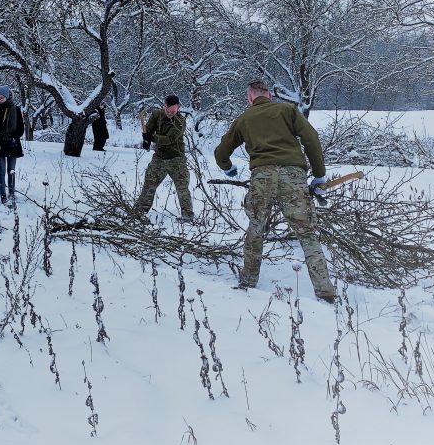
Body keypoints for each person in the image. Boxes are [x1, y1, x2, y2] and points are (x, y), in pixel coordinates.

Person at [213, 80, 336, 303]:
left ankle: (248, 281)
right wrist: (319, 174)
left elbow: (221, 152)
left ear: (250, 98)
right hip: (293, 175)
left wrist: (228, 168)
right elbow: (311, 138)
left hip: (262, 177)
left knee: (256, 228)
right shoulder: (287, 110)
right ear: (269, 95)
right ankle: (324, 289)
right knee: (306, 232)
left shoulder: (244, 119)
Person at [134, 94, 194, 221]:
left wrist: (153, 138)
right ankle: (139, 211)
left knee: (182, 186)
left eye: (174, 111)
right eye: (168, 110)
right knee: (149, 183)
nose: (171, 113)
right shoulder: (157, 115)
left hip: (176, 158)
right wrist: (146, 139)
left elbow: (169, 139)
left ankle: (187, 215)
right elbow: (148, 130)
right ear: (164, 106)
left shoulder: (180, 121)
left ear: (178, 108)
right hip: (159, 157)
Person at [0, 85, 25, 205]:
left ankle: (12, 193)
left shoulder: (16, 109)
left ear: (7, 97)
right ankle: (3, 195)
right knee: (1, 170)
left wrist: (13, 137)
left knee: (11, 170)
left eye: (2, 98)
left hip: (12, 144)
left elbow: (20, 129)